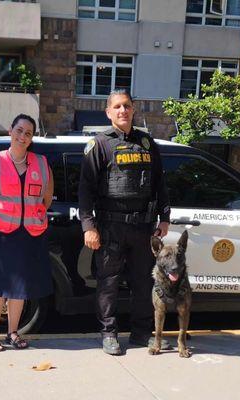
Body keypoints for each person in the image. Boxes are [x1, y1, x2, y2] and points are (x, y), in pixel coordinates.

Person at [78, 89, 171, 356]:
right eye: (117, 106)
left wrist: (164, 218)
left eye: (127, 106)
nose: (123, 111)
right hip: (110, 228)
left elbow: (159, 184)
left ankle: (142, 333)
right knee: (108, 283)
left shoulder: (147, 143)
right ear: (108, 112)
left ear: (133, 110)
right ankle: (109, 334)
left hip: (143, 227)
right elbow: (85, 190)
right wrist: (89, 226)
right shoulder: (100, 145)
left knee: (144, 282)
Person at [0, 114, 54, 351]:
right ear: (10, 131)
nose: (22, 136)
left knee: (20, 288)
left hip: (28, 233)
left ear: (31, 139)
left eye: (28, 133)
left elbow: (47, 197)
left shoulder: (41, 163)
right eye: (19, 130)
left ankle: (12, 333)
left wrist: (30, 215)